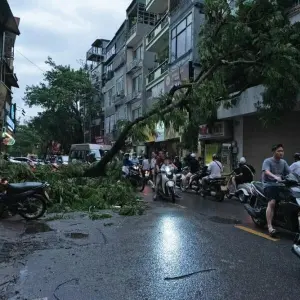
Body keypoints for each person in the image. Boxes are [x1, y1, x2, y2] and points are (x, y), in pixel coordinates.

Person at [262, 144, 290, 237]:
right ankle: (270, 227)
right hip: (269, 184)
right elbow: (266, 171)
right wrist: (274, 177)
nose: (281, 153)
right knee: (272, 202)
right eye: (279, 151)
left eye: (282, 151)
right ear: (274, 152)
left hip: (280, 185)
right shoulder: (268, 161)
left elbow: (290, 173)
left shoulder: (283, 162)